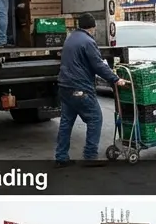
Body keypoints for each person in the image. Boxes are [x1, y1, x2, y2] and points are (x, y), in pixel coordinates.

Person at [55, 13, 128, 167]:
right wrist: (115, 79)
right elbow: (98, 65)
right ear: (93, 27)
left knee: (66, 122)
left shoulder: (71, 38)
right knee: (95, 118)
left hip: (65, 87)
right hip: (79, 87)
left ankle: (61, 157)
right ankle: (90, 156)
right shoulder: (88, 41)